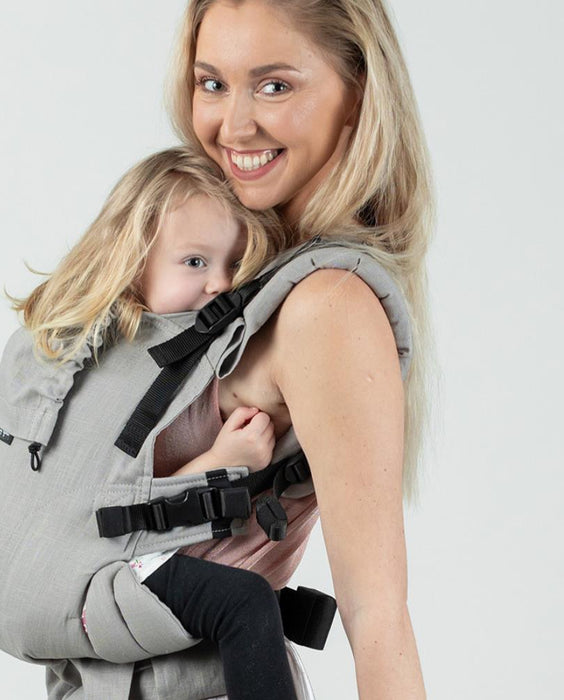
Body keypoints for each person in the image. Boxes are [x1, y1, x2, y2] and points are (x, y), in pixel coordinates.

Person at [142, 0, 434, 697]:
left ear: (356, 94)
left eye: (274, 85)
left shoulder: (328, 306)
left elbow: (377, 615)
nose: (234, 125)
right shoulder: (229, 275)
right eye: (212, 83)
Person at [13, 146, 300, 699]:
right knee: (244, 603)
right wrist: (221, 463)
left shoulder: (192, 356)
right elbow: (115, 509)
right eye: (195, 262)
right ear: (132, 260)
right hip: (109, 571)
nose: (220, 284)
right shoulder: (109, 366)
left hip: (124, 576)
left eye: (233, 265)